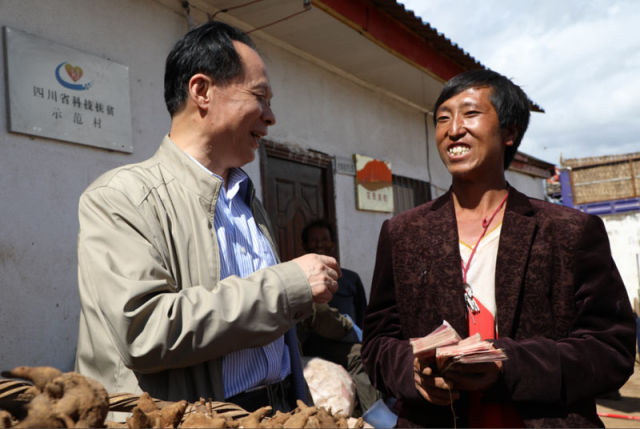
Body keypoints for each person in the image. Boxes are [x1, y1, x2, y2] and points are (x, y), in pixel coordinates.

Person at [74, 21, 341, 414]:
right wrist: (288, 287)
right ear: (201, 91)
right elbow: (144, 331)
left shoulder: (246, 200)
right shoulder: (121, 197)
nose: (270, 117)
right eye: (260, 97)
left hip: (274, 413)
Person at [361, 69, 636, 427]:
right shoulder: (403, 233)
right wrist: (411, 373)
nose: (453, 129)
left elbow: (611, 349)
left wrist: (509, 366)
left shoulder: (568, 231)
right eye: (442, 118)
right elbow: (377, 345)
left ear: (509, 132)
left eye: (470, 113)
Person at [298, 220, 381, 415]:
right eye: (314, 240)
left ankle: (376, 409)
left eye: (324, 239)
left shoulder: (350, 278)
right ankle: (377, 415)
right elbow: (315, 316)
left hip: (347, 339)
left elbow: (363, 314)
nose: (319, 244)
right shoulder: (301, 278)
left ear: (333, 244)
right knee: (359, 354)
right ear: (305, 246)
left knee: (369, 352)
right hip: (316, 342)